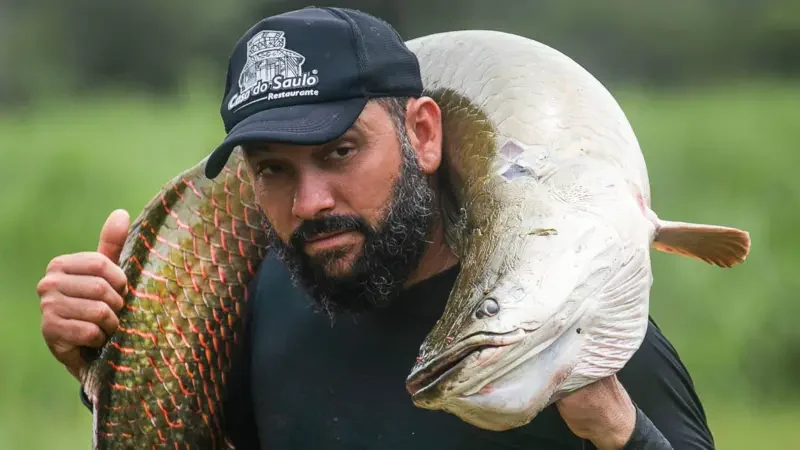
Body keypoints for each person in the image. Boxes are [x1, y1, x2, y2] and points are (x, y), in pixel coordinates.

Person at [37, 6, 715, 450]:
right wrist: (110, 369)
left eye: (340, 152)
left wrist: (620, 430)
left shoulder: (561, 323)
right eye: (272, 169)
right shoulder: (270, 303)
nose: (309, 202)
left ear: (422, 134)